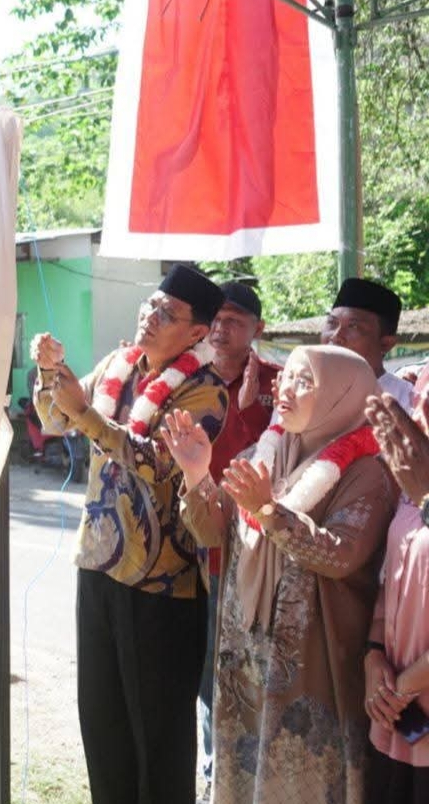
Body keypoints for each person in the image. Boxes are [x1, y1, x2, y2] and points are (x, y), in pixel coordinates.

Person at [161, 345, 398, 804]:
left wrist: (269, 510)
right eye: (286, 376)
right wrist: (196, 475)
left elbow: (341, 555)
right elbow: (216, 533)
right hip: (246, 658)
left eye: (304, 381)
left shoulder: (367, 473)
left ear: (341, 395)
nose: (285, 389)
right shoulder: (265, 451)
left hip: (310, 667)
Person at [31, 262, 228, 804]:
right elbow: (54, 420)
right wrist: (52, 372)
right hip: (98, 565)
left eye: (168, 313)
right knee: (102, 721)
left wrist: (83, 412)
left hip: (162, 585)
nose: (150, 315)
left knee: (158, 738)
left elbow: (158, 462)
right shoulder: (120, 363)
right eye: (151, 304)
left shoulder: (206, 392)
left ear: (195, 334)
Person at [197, 281, 281, 794]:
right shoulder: (188, 378)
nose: (222, 328)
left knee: (240, 672)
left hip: (250, 555)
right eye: (217, 319)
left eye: (234, 320)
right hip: (189, 547)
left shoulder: (279, 384)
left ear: (258, 329)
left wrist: (251, 410)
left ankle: (235, 775)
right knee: (200, 670)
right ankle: (213, 772)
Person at [364, 391, 429, 804]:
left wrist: (403, 686)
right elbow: (391, 584)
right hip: (397, 716)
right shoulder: (412, 482)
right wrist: (373, 657)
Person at [323, 277, 413, 411]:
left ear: (385, 344)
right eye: (332, 323)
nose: (336, 336)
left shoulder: (408, 401)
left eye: (353, 326)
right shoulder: (300, 392)